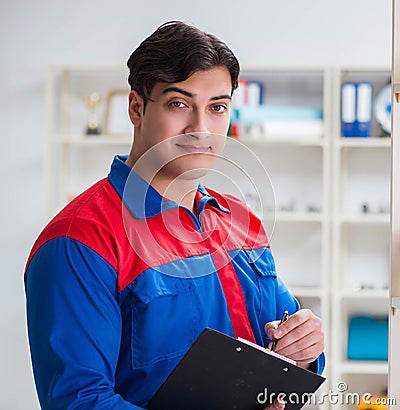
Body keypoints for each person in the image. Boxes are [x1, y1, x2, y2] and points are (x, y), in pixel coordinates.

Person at [24, 21, 325, 409]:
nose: (201, 129)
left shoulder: (241, 222)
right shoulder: (80, 241)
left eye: (217, 108)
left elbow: (282, 365)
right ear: (136, 108)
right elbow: (79, 402)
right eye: (179, 104)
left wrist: (303, 352)